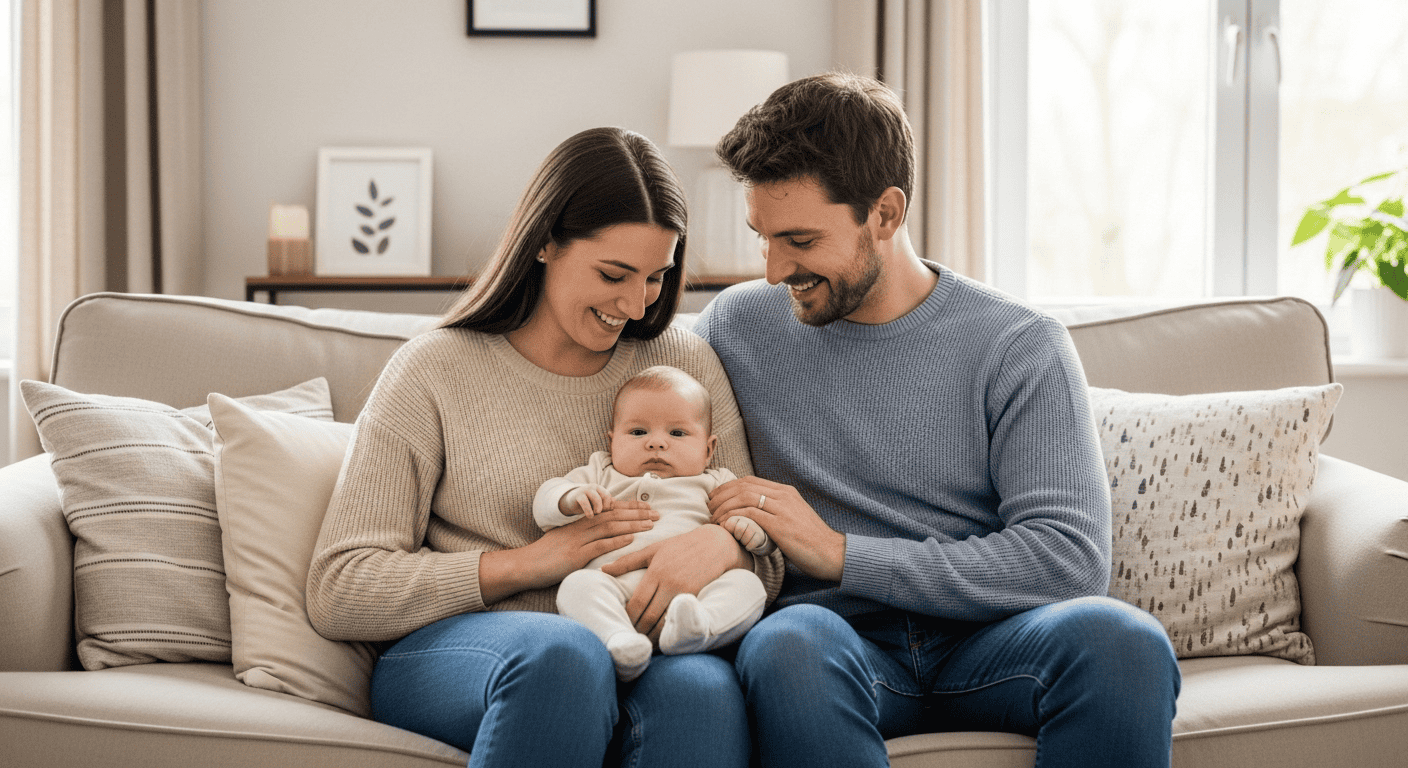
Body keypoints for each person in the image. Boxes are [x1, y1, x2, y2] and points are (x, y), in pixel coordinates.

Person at [694, 73, 1181, 768]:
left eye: (799, 239)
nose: (772, 270)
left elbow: (1069, 559)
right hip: (836, 641)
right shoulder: (735, 329)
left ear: (885, 214)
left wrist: (842, 554)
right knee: (787, 644)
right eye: (762, 237)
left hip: (995, 640)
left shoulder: (1019, 344)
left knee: (1123, 641)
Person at [306, 126, 783, 768]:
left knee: (704, 690)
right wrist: (534, 562)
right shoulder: (434, 370)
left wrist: (724, 543)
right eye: (614, 274)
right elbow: (340, 587)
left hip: (647, 635)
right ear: (546, 244)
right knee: (565, 657)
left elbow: (764, 550)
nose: (635, 304)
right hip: (468, 649)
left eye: (655, 277)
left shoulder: (684, 364)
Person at [535, 365, 774, 682]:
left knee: (747, 586)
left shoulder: (716, 482)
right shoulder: (601, 473)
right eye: (638, 432)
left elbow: (761, 529)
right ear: (612, 441)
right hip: (614, 587)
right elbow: (545, 501)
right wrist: (570, 498)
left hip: (696, 594)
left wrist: (752, 534)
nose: (656, 443)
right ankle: (619, 641)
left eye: (677, 433)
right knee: (577, 586)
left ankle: (698, 628)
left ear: (708, 449)